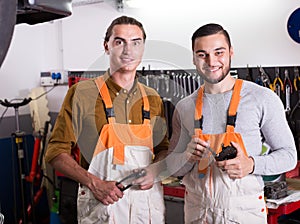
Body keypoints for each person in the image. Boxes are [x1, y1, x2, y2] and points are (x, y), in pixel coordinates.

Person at [167, 23, 297, 223]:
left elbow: (288, 155)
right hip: (198, 213)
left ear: (231, 52)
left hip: (243, 212)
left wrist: (252, 164)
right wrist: (186, 157)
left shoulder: (261, 98)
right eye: (202, 54)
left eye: (218, 52)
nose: (211, 61)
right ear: (193, 58)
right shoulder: (184, 107)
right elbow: (172, 167)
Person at [45, 15, 169, 223]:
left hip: (145, 209)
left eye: (135, 43)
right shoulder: (82, 93)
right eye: (119, 42)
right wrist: (94, 183)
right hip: (101, 208)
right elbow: (56, 152)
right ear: (107, 46)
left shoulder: (153, 98)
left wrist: (155, 169)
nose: (128, 50)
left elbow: (163, 149)